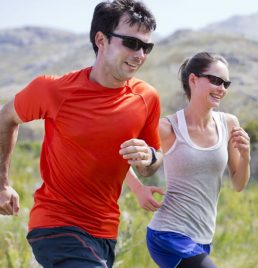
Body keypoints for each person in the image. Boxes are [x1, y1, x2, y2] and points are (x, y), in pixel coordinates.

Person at [0, 0, 162, 267]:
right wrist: (3, 183)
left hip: (105, 232)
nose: (140, 55)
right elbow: (6, 118)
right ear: (101, 39)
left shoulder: (147, 98)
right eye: (132, 43)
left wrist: (150, 157)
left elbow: (149, 167)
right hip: (56, 226)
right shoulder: (53, 90)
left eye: (147, 47)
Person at [125, 52, 251, 268]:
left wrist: (246, 155)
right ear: (193, 80)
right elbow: (117, 150)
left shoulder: (229, 124)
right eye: (216, 80)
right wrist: (137, 188)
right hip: (168, 235)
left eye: (226, 83)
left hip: (202, 239)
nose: (222, 88)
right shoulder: (168, 127)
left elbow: (238, 184)